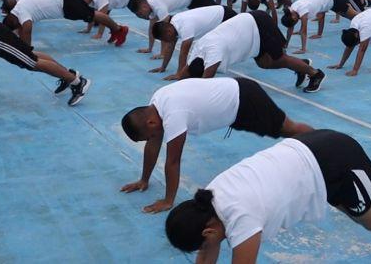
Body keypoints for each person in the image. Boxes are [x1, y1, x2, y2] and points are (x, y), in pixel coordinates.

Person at [164, 129, 371, 264]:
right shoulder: (208, 198)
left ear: (208, 229)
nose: (207, 247)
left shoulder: (241, 219)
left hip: (337, 163)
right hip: (311, 155)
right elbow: (207, 248)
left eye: (206, 241)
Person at [119, 76, 314, 213]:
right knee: (285, 129)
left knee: (288, 129)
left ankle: (320, 145)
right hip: (234, 100)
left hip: (246, 100)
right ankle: (318, 144)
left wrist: (168, 200)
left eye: (149, 135)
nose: (152, 138)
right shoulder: (157, 102)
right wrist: (144, 179)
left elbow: (173, 161)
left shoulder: (173, 114)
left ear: (151, 123)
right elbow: (153, 144)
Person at [179, 11, 326, 93]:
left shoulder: (213, 54)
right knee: (264, 64)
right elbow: (187, 71)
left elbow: (206, 85)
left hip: (259, 25)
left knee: (280, 59)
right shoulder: (197, 52)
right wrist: (179, 80)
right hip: (250, 31)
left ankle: (315, 74)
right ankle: (299, 65)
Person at [4, 0, 130, 46]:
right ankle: (116, 29)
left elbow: (26, 28)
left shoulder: (21, 14)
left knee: (93, 15)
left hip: (64, 3)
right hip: (61, 0)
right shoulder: (17, 9)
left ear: (14, 23)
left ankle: (119, 29)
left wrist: (26, 49)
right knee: (92, 15)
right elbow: (22, 28)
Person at [149, 5, 236, 80]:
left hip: (226, 16)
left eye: (165, 39)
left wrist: (179, 74)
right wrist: (163, 67)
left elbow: (184, 53)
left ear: (168, 32)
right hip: (219, 15)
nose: (166, 42)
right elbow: (170, 47)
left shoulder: (185, 27)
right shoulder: (173, 25)